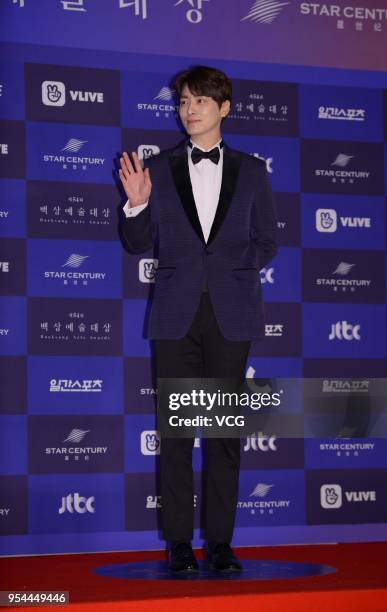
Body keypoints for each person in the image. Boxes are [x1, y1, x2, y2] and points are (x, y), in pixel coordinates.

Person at [118, 66, 277, 573]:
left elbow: (267, 240)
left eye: (201, 101)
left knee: (224, 438)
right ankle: (180, 545)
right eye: (184, 101)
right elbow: (136, 243)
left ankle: (223, 544)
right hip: (175, 315)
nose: (190, 109)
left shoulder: (253, 171)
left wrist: (232, 269)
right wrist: (137, 205)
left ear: (224, 108)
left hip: (231, 313)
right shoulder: (158, 168)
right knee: (179, 436)